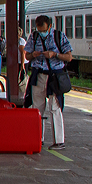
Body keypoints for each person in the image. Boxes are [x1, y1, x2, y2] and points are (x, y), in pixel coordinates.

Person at [26, 14, 72, 151]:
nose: (42, 33)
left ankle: (59, 141)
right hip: (39, 74)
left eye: (44, 30)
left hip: (54, 76)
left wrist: (55, 55)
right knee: (37, 107)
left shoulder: (59, 36)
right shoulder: (34, 37)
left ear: (50, 26)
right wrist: (33, 55)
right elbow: (27, 55)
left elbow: (69, 57)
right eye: (39, 30)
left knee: (55, 107)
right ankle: (38, 138)